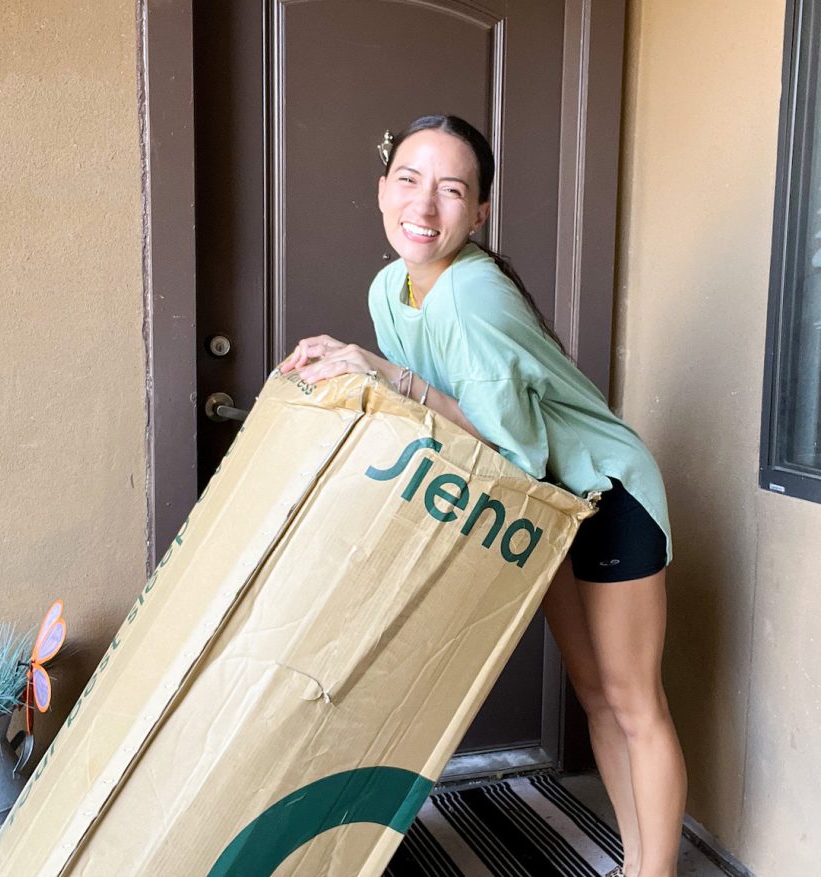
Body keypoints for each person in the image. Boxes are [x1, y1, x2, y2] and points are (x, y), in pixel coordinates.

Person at [280, 114, 687, 877]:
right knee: (594, 694)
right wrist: (361, 373)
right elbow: (448, 427)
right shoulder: (388, 289)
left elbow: (511, 446)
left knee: (634, 701)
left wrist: (385, 373)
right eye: (409, 180)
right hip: (541, 500)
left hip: (605, 492)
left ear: (479, 212)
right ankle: (637, 864)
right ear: (381, 190)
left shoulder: (473, 295)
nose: (424, 206)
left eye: (451, 190)